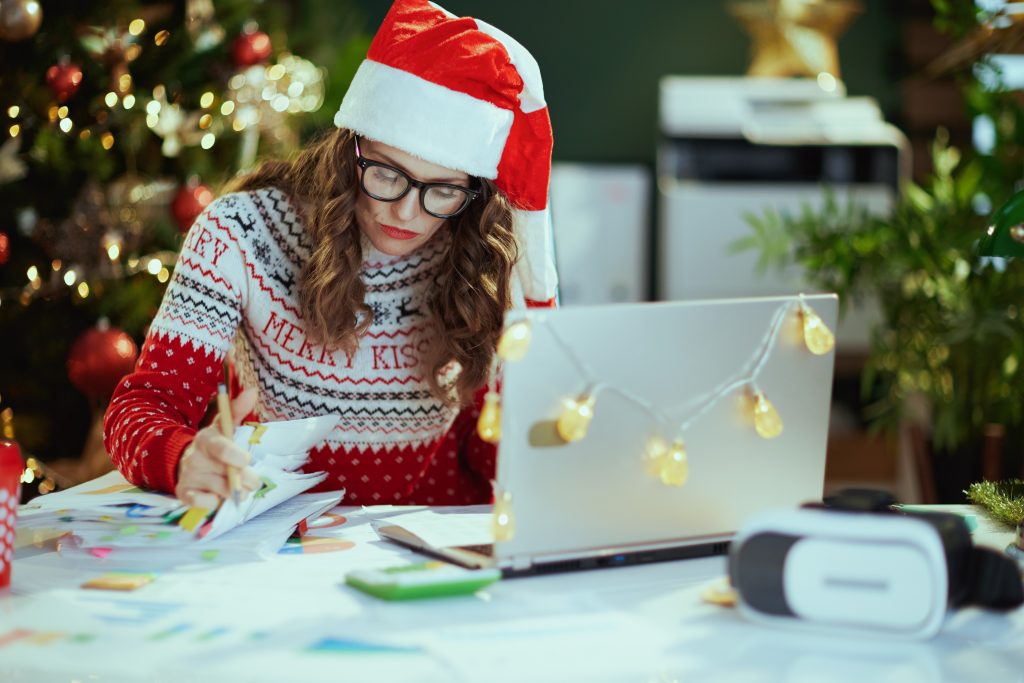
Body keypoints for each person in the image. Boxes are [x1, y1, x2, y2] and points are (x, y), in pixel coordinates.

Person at [103, 0, 558, 510]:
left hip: (436, 549)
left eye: (442, 190)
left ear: (474, 191)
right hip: (281, 545)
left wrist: (547, 428)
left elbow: (497, 454)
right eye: (386, 173)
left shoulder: (483, 254)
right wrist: (183, 456)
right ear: (350, 146)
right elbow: (140, 410)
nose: (407, 212)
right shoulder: (240, 233)